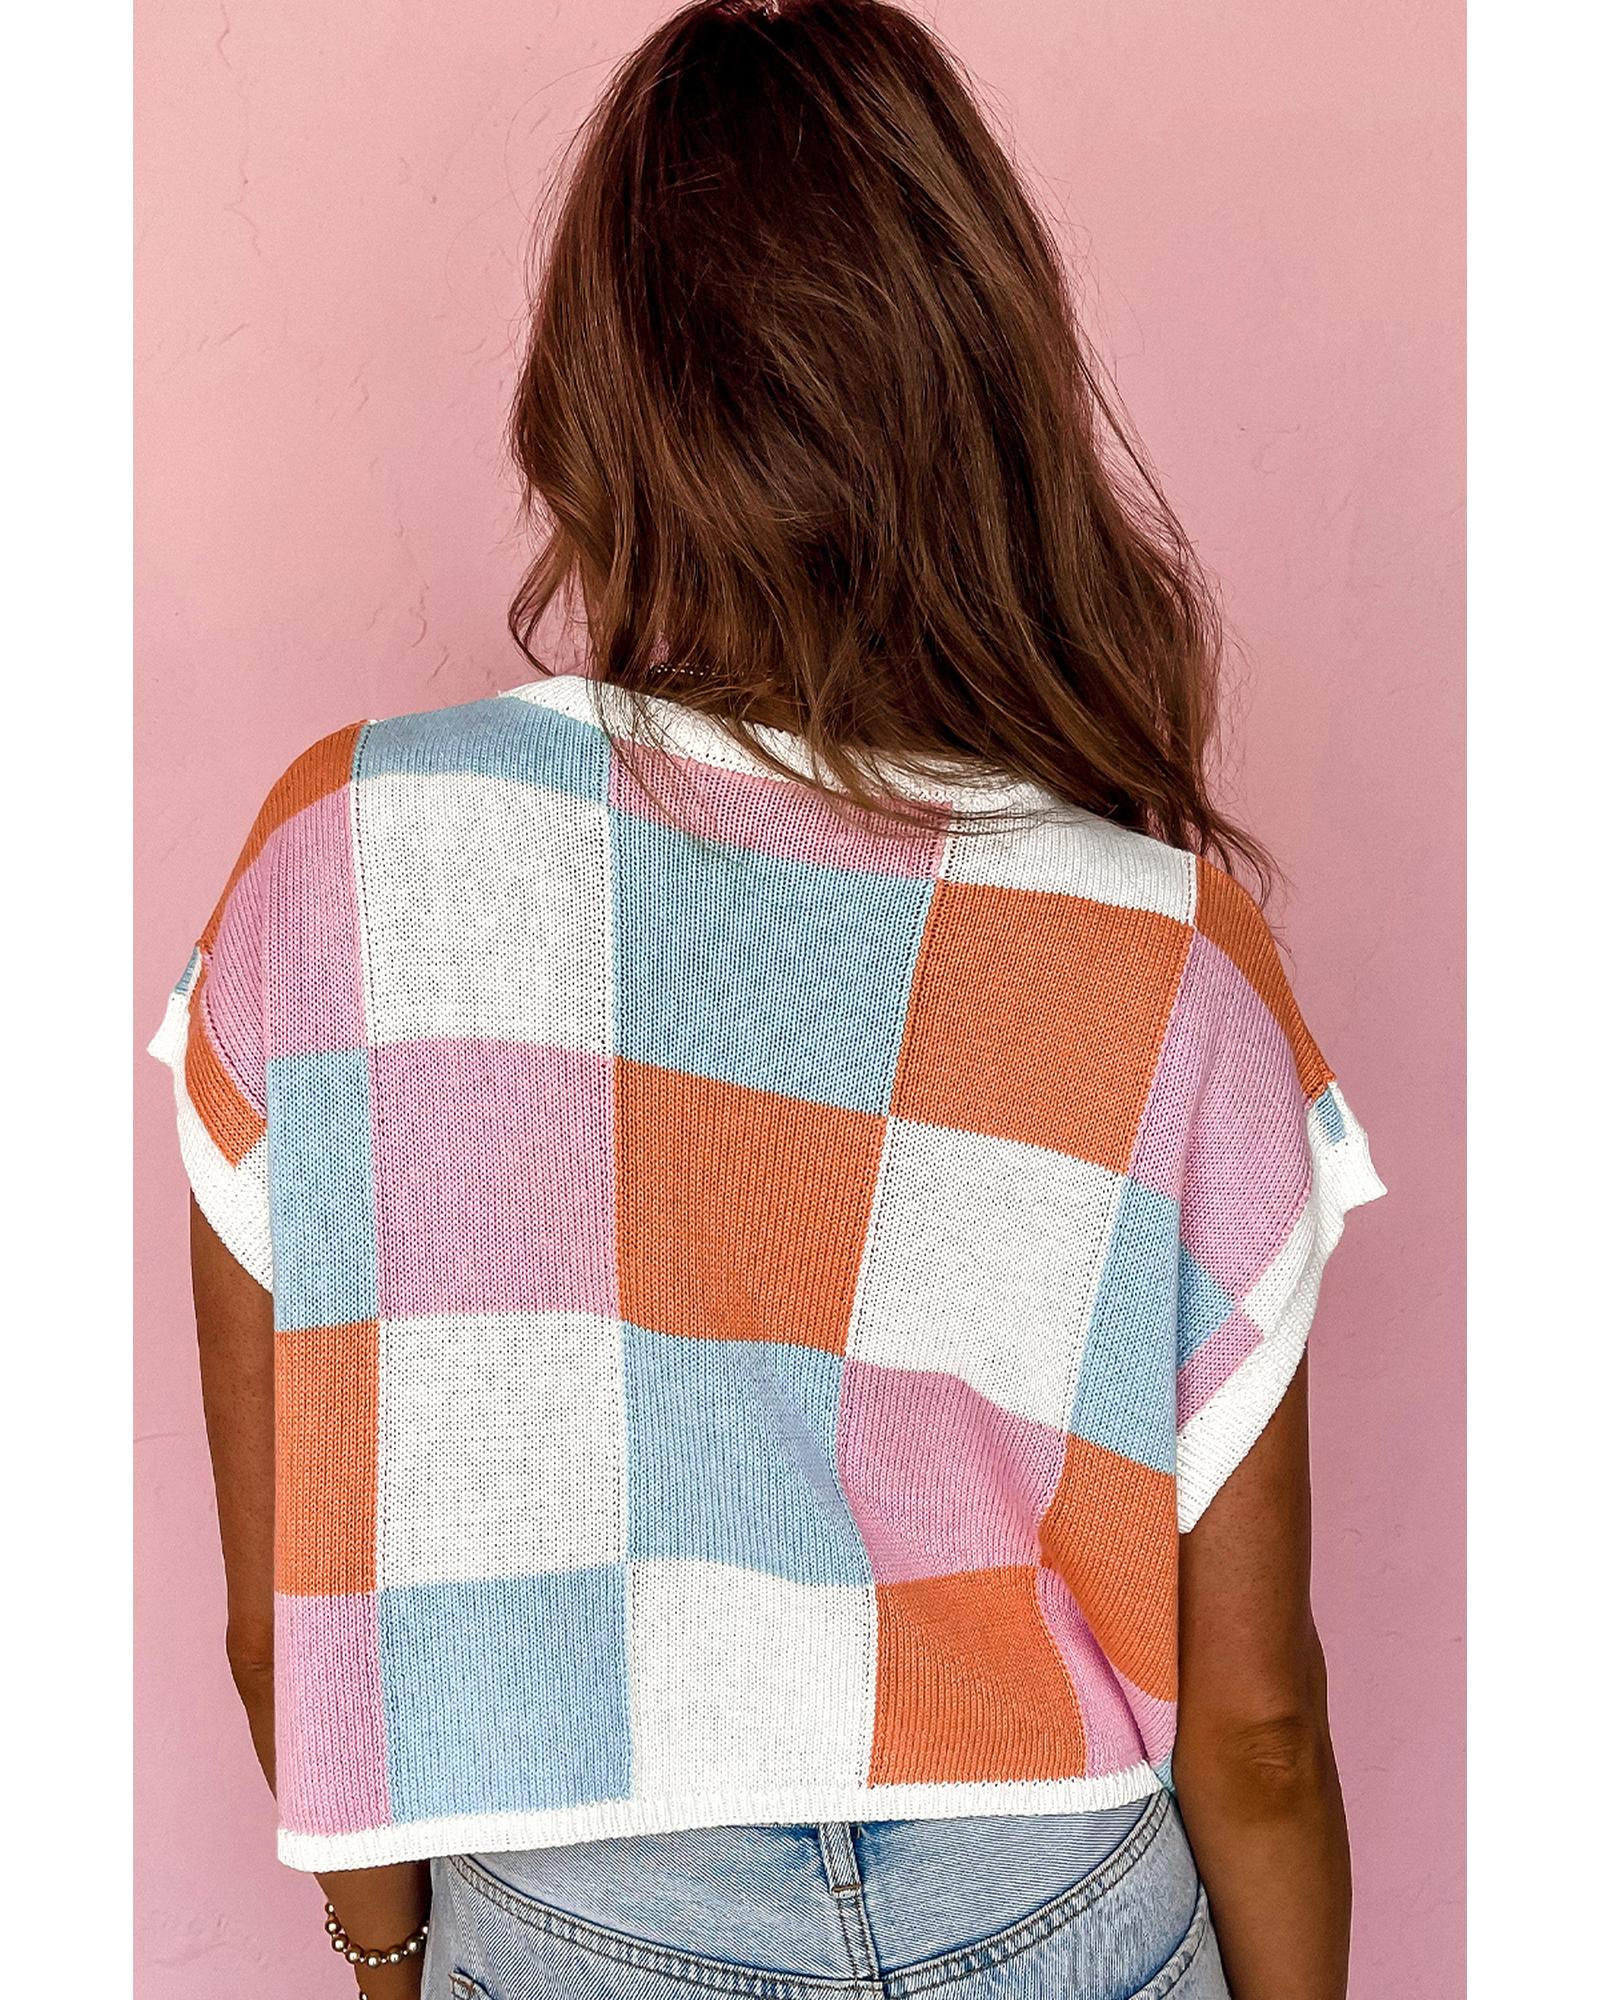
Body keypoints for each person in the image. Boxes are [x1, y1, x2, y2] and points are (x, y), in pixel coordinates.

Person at [150, 3, 1386, 1996]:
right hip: (1054, 1911)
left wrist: (386, 1965)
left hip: (583, 1920)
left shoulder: (349, 860)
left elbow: (287, 1623)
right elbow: (1257, 1731)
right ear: (983, 390)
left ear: (593, 393)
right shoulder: (1167, 950)